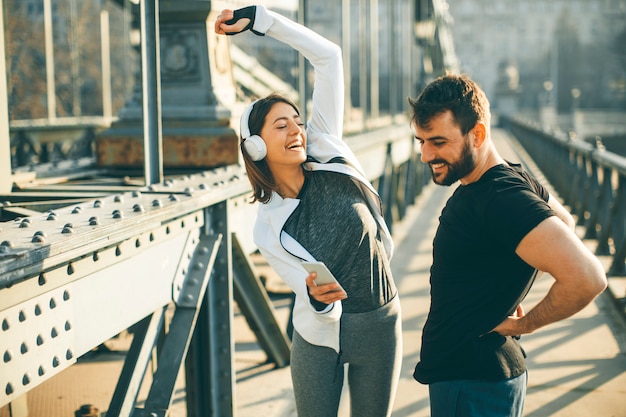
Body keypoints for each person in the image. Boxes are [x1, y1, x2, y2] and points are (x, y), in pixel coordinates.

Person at [215, 5, 402, 417]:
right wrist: (317, 299)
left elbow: (329, 57)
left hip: (379, 323)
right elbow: (309, 294)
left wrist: (262, 19)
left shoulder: (328, 148)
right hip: (319, 338)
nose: (297, 131)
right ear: (256, 147)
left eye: (297, 122)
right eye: (281, 126)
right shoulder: (269, 230)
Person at [408, 74, 607, 417]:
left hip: (472, 382)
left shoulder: (501, 198)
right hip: (482, 376)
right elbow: (566, 225)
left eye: (438, 142)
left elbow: (588, 278)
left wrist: (525, 322)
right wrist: (506, 287)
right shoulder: (513, 178)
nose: (426, 154)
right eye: (421, 141)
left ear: (478, 134)